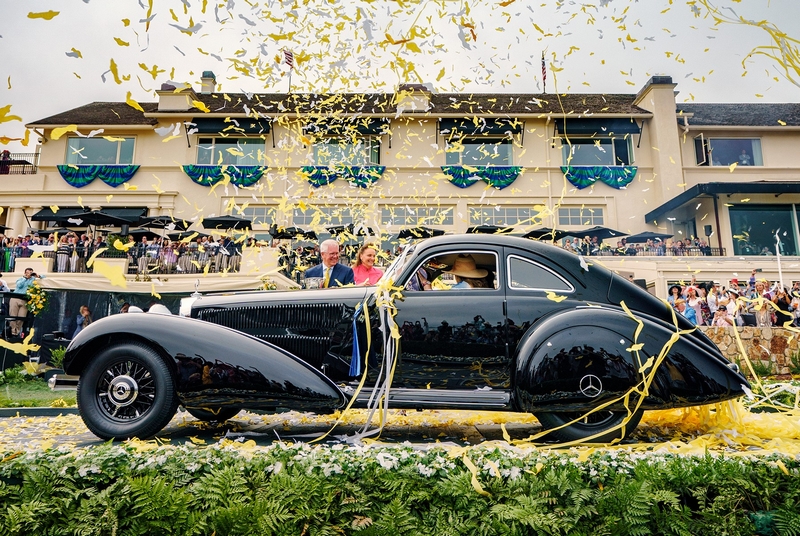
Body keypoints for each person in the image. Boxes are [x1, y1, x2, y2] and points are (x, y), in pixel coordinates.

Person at [9, 268, 44, 337]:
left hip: (25, 299)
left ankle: (17, 332)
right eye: (28, 273)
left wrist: (38, 275)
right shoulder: (20, 279)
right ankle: (12, 331)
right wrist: (25, 278)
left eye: (31, 272)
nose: (29, 274)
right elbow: (19, 285)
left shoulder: (33, 279)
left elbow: (44, 277)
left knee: (22, 316)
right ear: (25, 273)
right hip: (15, 298)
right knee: (13, 315)